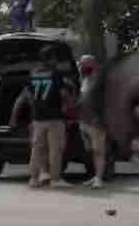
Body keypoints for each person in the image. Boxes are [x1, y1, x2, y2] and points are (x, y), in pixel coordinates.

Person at [10, 45, 77, 189]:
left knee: (37, 149)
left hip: (37, 118)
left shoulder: (33, 74)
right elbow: (64, 95)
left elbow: (24, 97)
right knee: (55, 149)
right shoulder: (56, 74)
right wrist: (71, 106)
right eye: (55, 58)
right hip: (54, 117)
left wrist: (14, 117)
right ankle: (55, 179)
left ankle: (33, 179)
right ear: (52, 59)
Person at [77, 55, 107, 189]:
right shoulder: (85, 79)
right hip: (84, 121)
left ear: (93, 64)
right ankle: (95, 176)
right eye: (81, 64)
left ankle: (99, 178)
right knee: (90, 151)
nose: (81, 66)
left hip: (96, 122)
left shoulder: (100, 80)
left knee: (98, 151)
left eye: (84, 64)